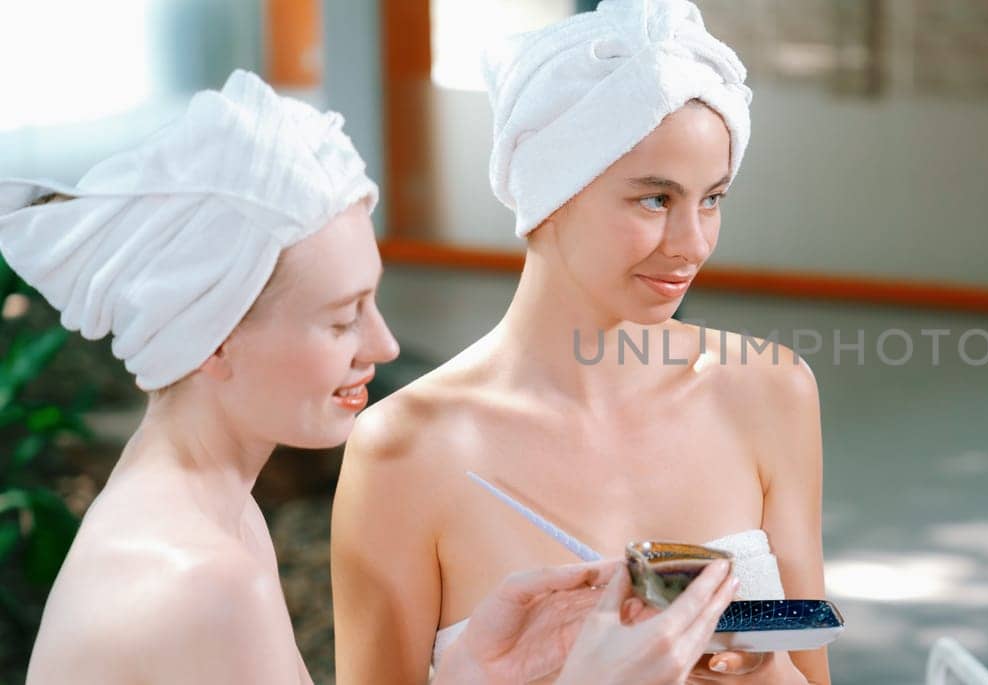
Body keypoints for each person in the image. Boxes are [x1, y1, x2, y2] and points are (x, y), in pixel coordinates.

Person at [3, 70, 738, 685]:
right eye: (341, 318)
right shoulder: (194, 579)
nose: (383, 345)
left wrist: (470, 673)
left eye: (373, 302)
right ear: (212, 341)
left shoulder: (210, 513)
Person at [331, 1, 828, 683]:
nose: (693, 245)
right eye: (655, 200)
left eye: (711, 198)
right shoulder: (407, 450)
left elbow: (812, 668)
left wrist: (754, 669)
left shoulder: (770, 389)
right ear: (551, 191)